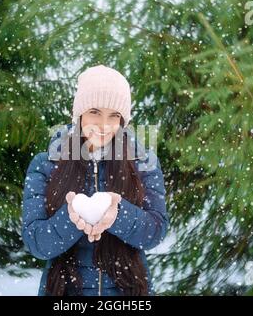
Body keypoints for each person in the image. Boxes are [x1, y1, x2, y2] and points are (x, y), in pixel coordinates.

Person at [22, 64, 169, 296]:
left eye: (114, 116)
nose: (103, 125)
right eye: (94, 112)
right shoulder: (46, 165)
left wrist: (118, 214)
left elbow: (155, 231)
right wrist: (71, 218)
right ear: (79, 114)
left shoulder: (143, 164)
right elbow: (36, 243)